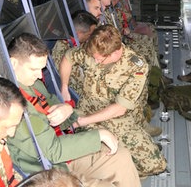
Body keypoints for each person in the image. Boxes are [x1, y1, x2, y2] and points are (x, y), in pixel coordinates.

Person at [6, 33, 141, 187]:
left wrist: (67, 108)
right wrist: (98, 135)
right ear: (13, 63)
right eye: (34, 69)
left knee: (121, 157)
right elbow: (52, 151)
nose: (39, 75)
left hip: (62, 156)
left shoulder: (31, 84)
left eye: (42, 69)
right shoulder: (10, 104)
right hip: (47, 173)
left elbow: (56, 107)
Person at [59, 25, 167, 176]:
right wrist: (64, 87)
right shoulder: (95, 49)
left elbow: (119, 108)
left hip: (116, 117)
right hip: (85, 111)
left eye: (99, 59)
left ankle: (125, 169)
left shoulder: (136, 66)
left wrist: (82, 121)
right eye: (93, 57)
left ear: (115, 53)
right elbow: (68, 57)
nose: (95, 61)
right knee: (108, 159)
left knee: (156, 165)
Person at [51, 10, 98, 97]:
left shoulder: (71, 44)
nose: (90, 38)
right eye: (89, 34)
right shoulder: (65, 53)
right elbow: (83, 86)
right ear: (78, 34)